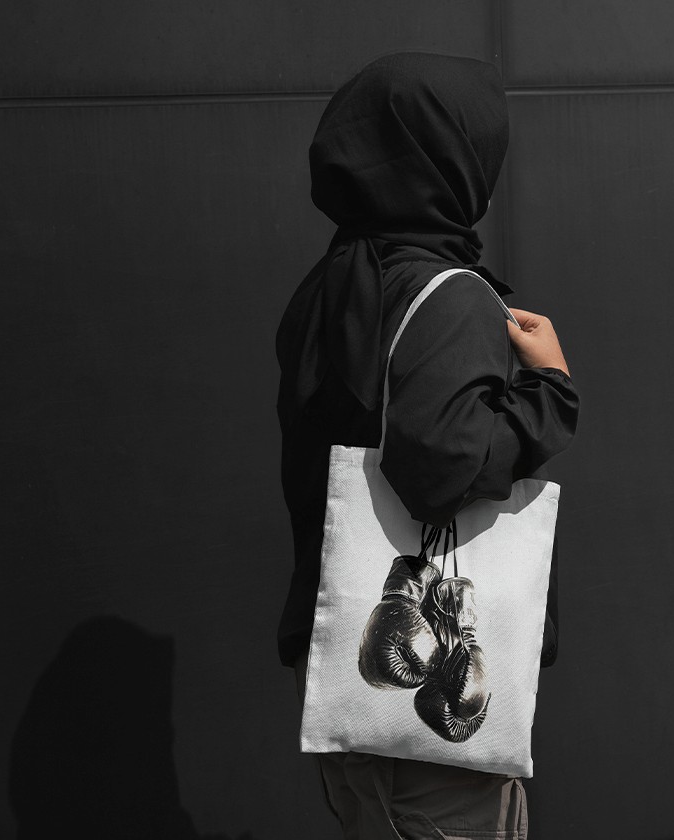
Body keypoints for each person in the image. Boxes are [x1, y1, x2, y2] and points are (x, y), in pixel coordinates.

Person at [274, 51, 579, 839]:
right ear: (453, 159)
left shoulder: (330, 289)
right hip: (431, 715)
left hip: (346, 677)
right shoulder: (447, 297)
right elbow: (442, 466)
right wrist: (549, 393)